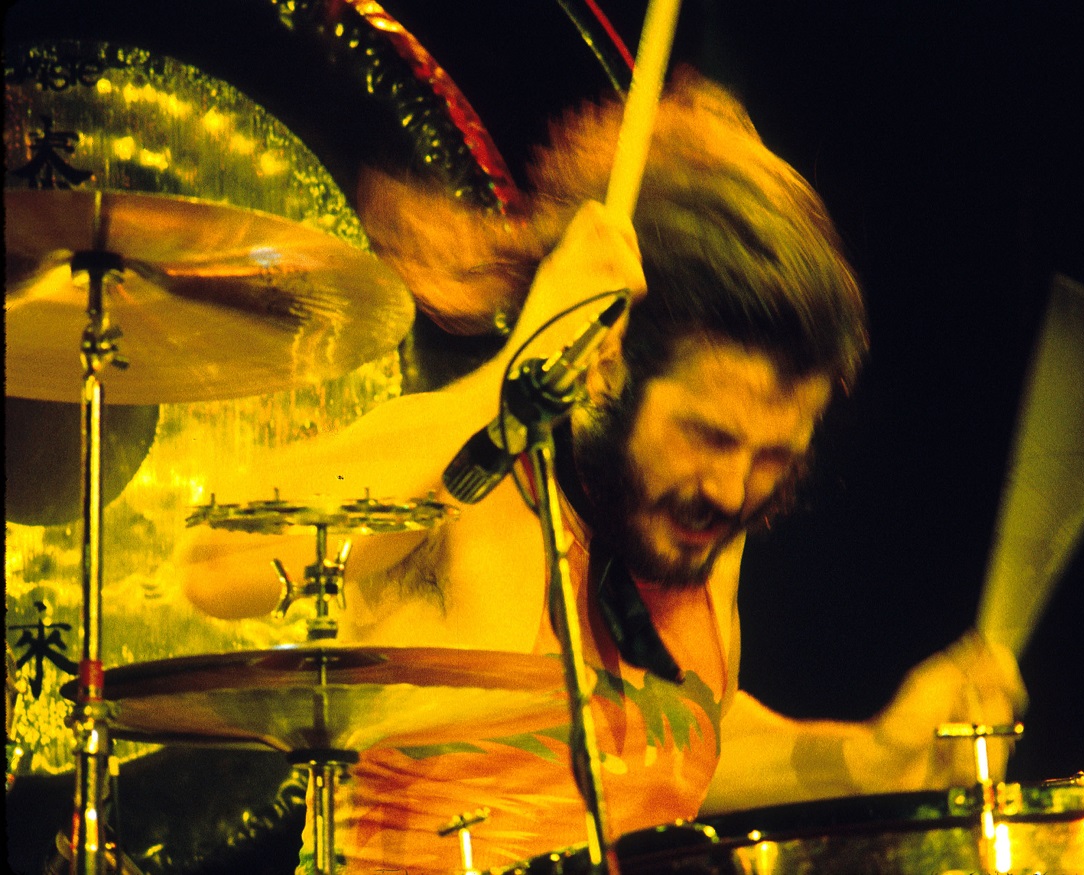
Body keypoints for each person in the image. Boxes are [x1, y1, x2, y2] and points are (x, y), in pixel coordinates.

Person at [179, 70, 1026, 873]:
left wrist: (870, 756)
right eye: (708, 436)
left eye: (774, 457)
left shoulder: (693, 530)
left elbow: (675, 747)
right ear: (610, 364)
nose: (732, 490)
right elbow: (216, 563)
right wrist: (516, 371)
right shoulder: (466, 486)